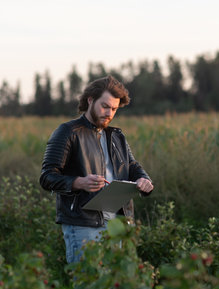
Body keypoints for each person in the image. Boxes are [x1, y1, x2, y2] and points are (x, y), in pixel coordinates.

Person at [39, 75, 154, 263]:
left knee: (116, 288)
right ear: (90, 100)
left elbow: (133, 166)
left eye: (114, 109)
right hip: (83, 224)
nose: (109, 113)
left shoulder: (117, 136)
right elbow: (47, 177)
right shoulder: (67, 132)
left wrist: (144, 180)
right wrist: (78, 182)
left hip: (119, 223)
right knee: (89, 288)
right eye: (105, 106)